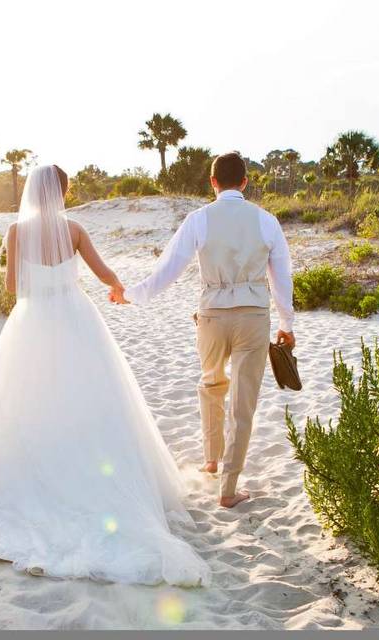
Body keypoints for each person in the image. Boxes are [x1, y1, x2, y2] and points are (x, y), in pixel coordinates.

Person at [0, 164, 210, 586]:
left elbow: (12, 288)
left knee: (29, 401)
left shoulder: (15, 233)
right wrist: (119, 290)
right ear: (61, 192)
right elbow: (102, 273)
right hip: (76, 318)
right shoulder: (75, 229)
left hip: (32, 321)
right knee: (88, 398)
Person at [113, 152, 295, 508]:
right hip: (253, 317)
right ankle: (229, 489)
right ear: (245, 182)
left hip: (211, 316)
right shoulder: (267, 221)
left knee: (211, 385)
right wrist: (287, 323)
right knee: (243, 405)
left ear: (213, 183)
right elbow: (282, 277)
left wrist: (131, 296)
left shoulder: (198, 220)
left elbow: (167, 270)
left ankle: (211, 459)